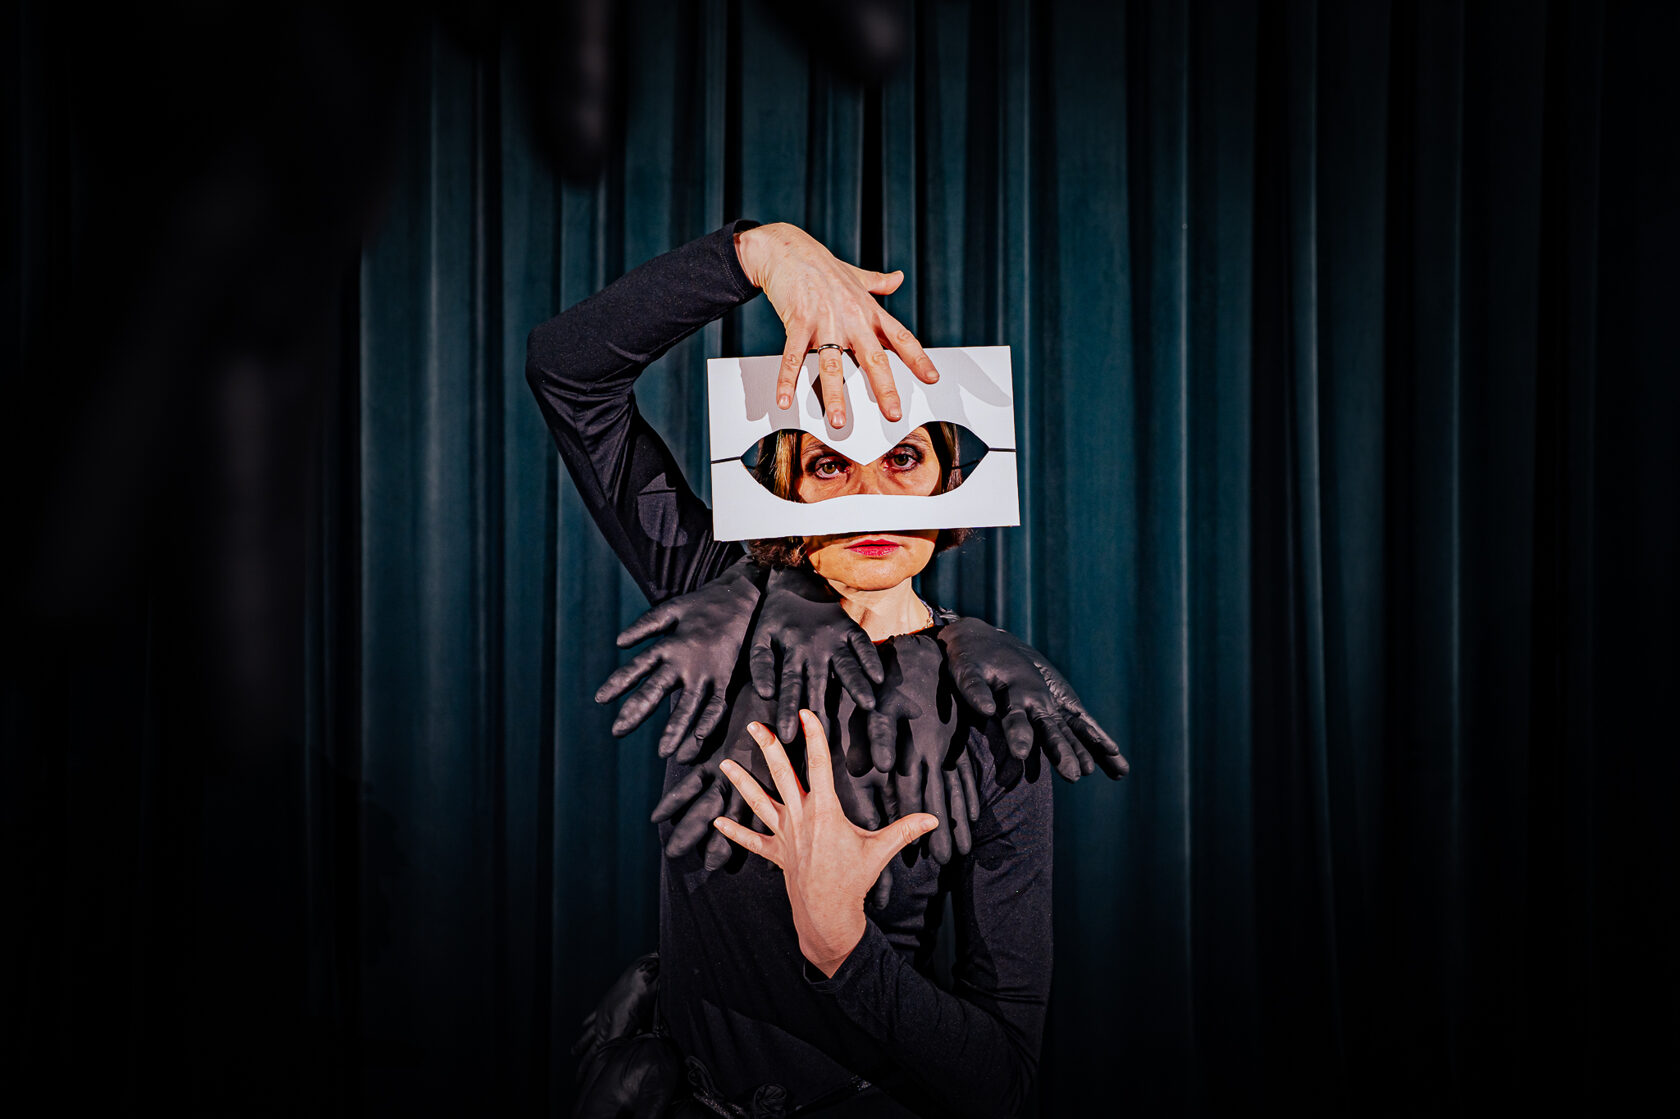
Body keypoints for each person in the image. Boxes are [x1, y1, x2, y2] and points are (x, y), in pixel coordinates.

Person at [526, 220, 1124, 1118]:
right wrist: (756, 254)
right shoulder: (712, 594)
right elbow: (568, 369)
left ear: (948, 483)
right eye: (829, 463)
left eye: (904, 457)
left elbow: (1004, 1075)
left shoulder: (999, 710)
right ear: (786, 490)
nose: (870, 498)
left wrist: (845, 946)